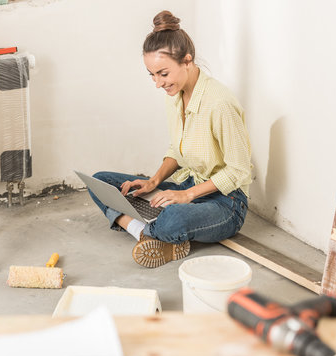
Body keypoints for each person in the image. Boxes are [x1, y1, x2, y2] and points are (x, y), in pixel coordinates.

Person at [88, 10, 252, 268]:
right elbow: (177, 149)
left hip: (225, 202)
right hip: (187, 185)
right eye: (152, 75)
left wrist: (187, 195)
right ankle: (146, 232)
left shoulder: (219, 103)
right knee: (101, 182)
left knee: (173, 217)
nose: (157, 83)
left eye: (163, 74)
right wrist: (153, 181)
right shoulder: (174, 96)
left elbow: (239, 171)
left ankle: (148, 228)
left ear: (187, 61)